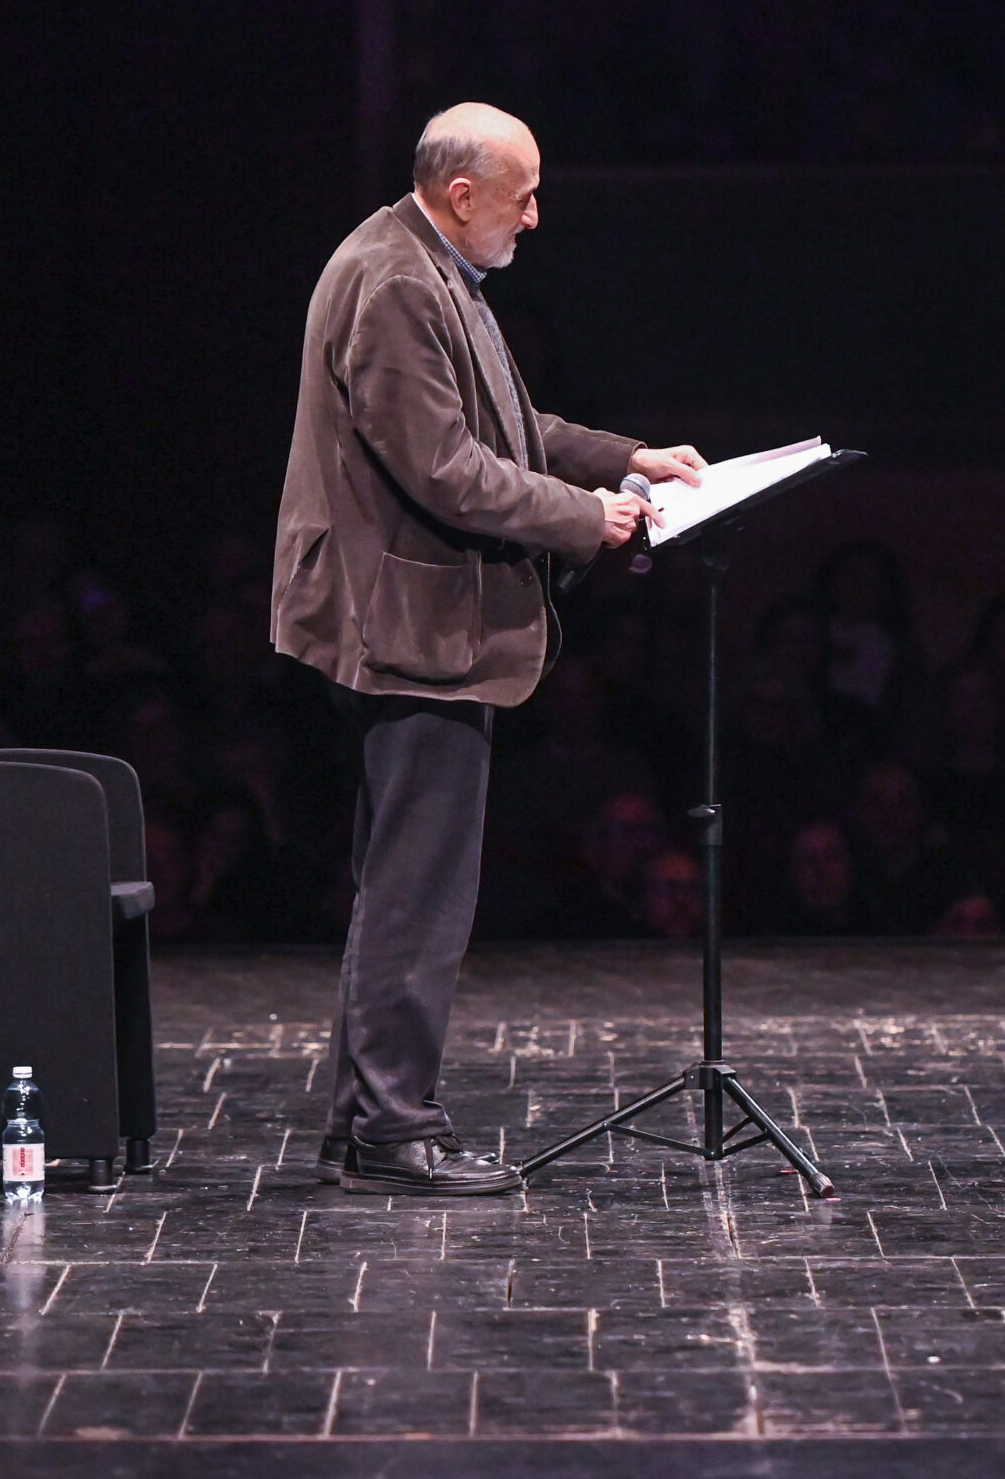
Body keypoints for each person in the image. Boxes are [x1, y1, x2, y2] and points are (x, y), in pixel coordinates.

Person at [272, 102, 705, 1195]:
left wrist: (629, 459)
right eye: (525, 196)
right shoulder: (396, 282)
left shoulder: (432, 268)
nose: (536, 216)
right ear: (461, 194)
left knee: (401, 881)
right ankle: (392, 1127)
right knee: (416, 888)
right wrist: (583, 518)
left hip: (417, 618)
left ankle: (366, 1123)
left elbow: (507, 426)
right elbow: (444, 467)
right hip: (409, 625)